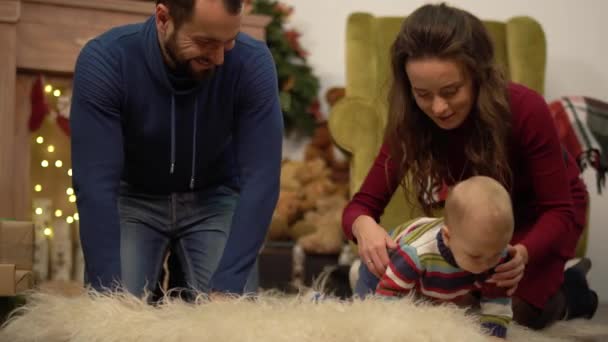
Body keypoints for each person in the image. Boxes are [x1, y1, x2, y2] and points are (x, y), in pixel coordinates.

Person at [343, 3, 597, 329]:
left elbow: (559, 210)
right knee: (455, 298)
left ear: (479, 75)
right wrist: (364, 226)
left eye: (451, 91)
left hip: (543, 217)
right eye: (423, 94)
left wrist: (524, 252)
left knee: (510, 313)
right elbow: (360, 206)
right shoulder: (412, 122)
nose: (438, 107)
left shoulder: (526, 108)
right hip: (479, 219)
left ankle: (573, 288)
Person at [70, 0, 283, 297]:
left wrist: (228, 285)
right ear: (163, 18)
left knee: (232, 319)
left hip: (214, 198)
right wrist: (109, 296)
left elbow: (262, 177)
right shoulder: (107, 59)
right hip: (133, 198)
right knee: (116, 317)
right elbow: (94, 183)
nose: (219, 58)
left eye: (229, 42)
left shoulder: (252, 62)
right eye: (205, 42)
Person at [369, 176, 514, 339]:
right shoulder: (415, 254)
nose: (487, 264)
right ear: (447, 237)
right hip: (387, 262)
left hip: (436, 279)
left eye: (496, 254)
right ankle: (357, 272)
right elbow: (389, 293)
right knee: (369, 302)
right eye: (475, 256)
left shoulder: (491, 249)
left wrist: (494, 330)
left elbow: (497, 296)